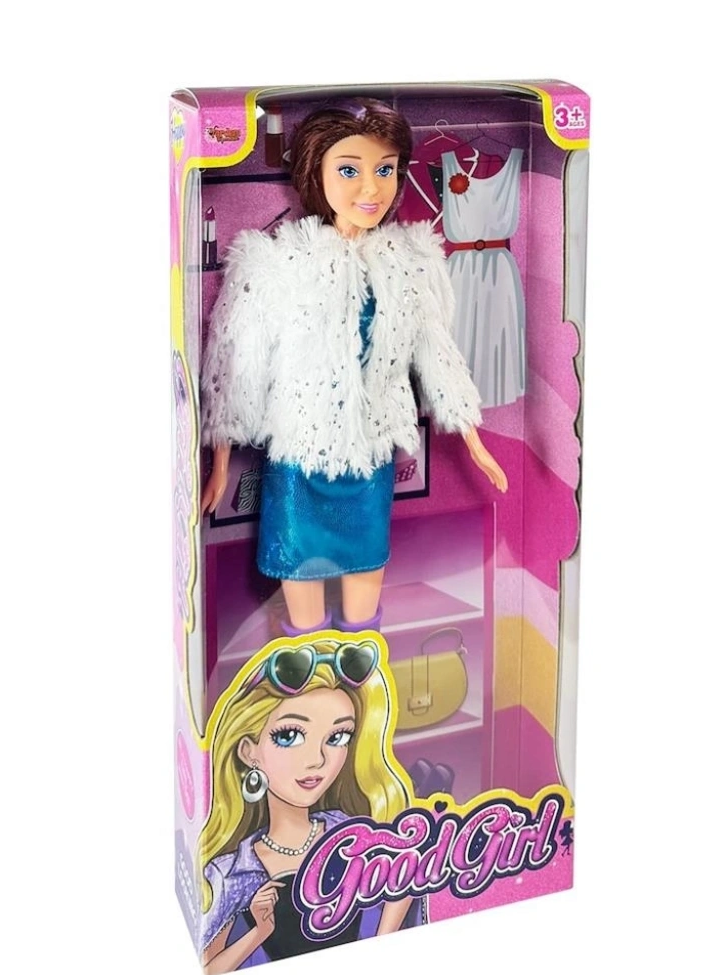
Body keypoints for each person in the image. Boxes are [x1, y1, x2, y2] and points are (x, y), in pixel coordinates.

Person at [200, 98, 506, 635]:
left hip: (370, 458)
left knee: (364, 609)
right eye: (349, 170)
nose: (371, 188)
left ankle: (363, 681)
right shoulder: (275, 264)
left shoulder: (409, 262)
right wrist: (220, 461)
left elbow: (436, 350)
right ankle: (308, 679)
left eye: (385, 170)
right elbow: (238, 362)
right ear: (314, 170)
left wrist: (473, 438)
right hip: (300, 460)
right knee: (303, 612)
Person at [196, 637, 421, 974]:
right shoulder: (232, 872)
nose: (317, 759)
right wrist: (259, 932)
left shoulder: (351, 831)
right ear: (248, 751)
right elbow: (210, 969)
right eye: (289, 736)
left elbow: (406, 878)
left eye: (338, 737)